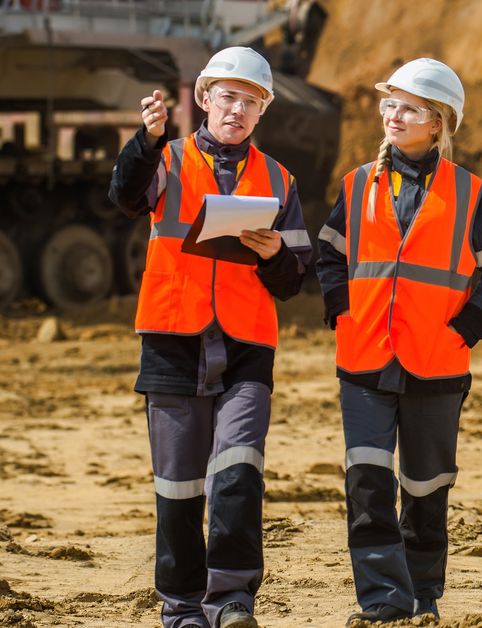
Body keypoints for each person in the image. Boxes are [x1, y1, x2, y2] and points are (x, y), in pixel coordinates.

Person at [108, 46, 311, 628]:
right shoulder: (166, 159)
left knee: (239, 473)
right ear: (204, 99)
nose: (238, 110)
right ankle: (181, 609)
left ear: (263, 111)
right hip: (173, 338)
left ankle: (231, 600)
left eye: (251, 101)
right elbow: (125, 196)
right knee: (178, 487)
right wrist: (147, 140)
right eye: (228, 97)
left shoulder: (279, 179)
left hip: (247, 346)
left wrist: (274, 255)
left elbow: (294, 279)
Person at [315, 58, 482, 624]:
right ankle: (384, 600)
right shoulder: (357, 184)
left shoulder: (469, 192)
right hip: (364, 357)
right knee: (367, 482)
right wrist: (341, 309)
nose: (394, 115)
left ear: (439, 123)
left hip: (437, 361)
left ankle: (423, 594)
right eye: (390, 104)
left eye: (409, 108)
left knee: (427, 488)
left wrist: (467, 328)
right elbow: (329, 251)